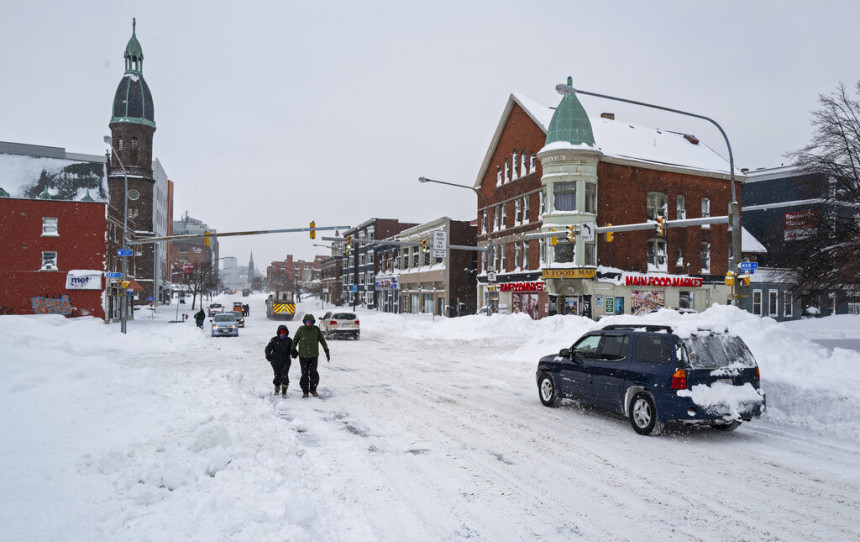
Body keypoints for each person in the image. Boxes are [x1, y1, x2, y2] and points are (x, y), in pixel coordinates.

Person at [290, 314, 329, 398]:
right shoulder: (301, 329)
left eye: (310, 322)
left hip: (313, 356)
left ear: (312, 322)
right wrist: (292, 349)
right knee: (304, 374)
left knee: (313, 373)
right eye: (307, 322)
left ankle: (313, 389)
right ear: (304, 322)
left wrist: (326, 350)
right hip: (303, 356)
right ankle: (305, 391)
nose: (308, 323)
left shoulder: (316, 330)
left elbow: (322, 340)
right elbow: (295, 340)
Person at [265, 324, 293, 396]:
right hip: (275, 361)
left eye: (284, 332)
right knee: (277, 375)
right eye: (281, 332)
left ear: (286, 333)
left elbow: (292, 349)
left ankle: (284, 390)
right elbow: (268, 349)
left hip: (286, 361)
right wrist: (268, 355)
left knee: (284, 374)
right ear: (278, 332)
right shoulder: (274, 340)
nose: (282, 334)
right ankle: (277, 387)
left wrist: (294, 353)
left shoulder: (289, 340)